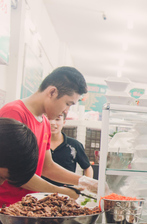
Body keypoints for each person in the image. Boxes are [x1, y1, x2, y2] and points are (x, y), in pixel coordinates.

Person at [0, 66, 98, 208]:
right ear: (52, 92)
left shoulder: (45, 122)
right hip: (6, 208)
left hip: (27, 206)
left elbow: (47, 166)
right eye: (67, 104)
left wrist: (85, 181)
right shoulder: (15, 113)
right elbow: (15, 172)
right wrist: (59, 191)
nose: (66, 111)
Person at [43, 112, 93, 186]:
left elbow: (87, 168)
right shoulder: (37, 143)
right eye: (49, 119)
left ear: (64, 122)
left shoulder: (74, 145)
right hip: (39, 192)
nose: (52, 123)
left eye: (57, 119)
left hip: (67, 193)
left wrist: (86, 187)